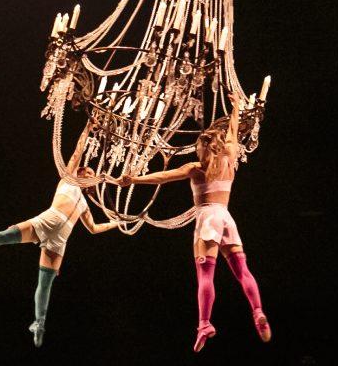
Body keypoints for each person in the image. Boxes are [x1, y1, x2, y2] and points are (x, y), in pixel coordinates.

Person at [113, 103, 271, 351]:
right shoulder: (229, 159)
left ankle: (204, 324)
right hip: (227, 218)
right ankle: (257, 311)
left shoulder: (196, 169)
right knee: (243, 271)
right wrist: (237, 106)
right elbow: (232, 132)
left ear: (202, 147)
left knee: (205, 275)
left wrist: (133, 179)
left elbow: (163, 177)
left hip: (207, 219)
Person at [0, 141, 118, 346]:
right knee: (5, 236)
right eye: (88, 172)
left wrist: (114, 224)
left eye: (92, 174)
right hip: (48, 221)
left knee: (45, 284)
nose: (92, 176)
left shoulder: (84, 205)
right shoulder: (68, 180)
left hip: (60, 240)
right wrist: (88, 128)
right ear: (80, 173)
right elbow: (77, 153)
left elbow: (93, 228)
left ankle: (39, 324)